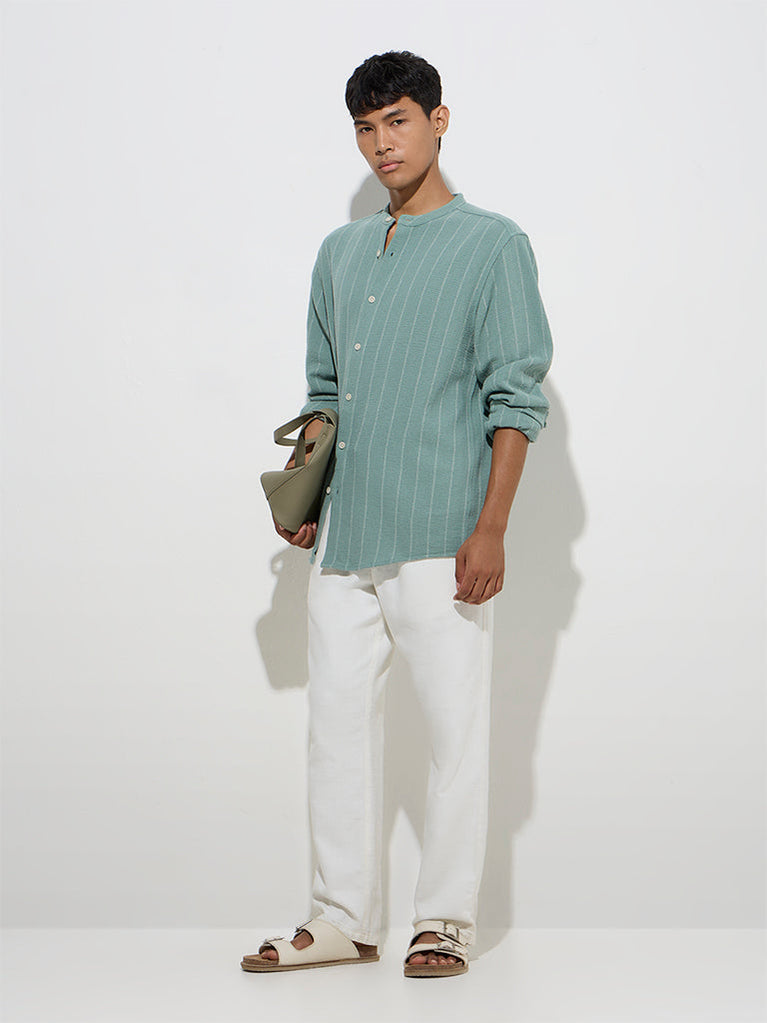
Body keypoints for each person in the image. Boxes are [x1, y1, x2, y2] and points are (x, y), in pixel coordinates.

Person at [242, 49, 553, 979]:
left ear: (438, 120)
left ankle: (443, 920)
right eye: (366, 129)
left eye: (398, 121)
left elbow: (514, 397)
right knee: (334, 731)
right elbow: (323, 389)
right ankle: (342, 916)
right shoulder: (338, 254)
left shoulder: (493, 244)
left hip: (440, 532)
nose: (382, 143)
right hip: (344, 535)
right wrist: (304, 487)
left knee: (455, 735)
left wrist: (491, 526)